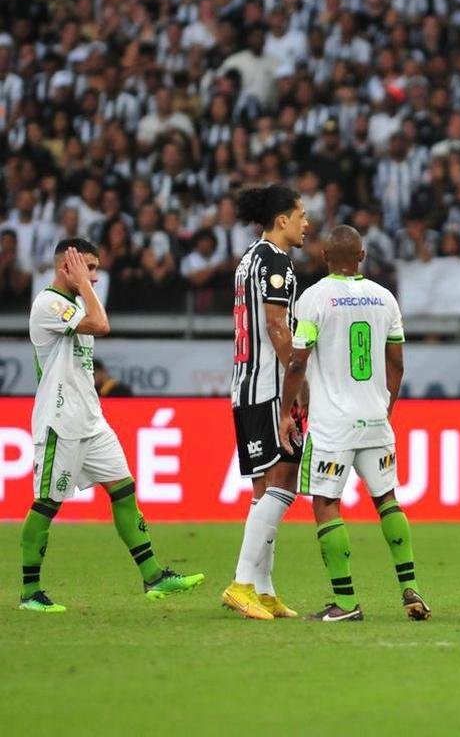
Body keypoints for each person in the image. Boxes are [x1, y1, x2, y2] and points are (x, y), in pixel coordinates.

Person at [19, 239, 204, 612]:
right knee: (47, 504)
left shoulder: (73, 304)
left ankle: (153, 575)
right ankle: (29, 592)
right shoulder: (48, 304)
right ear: (65, 266)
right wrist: (84, 285)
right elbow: (102, 323)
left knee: (123, 490)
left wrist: (84, 286)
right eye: (88, 266)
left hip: (92, 419)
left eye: (96, 268)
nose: (95, 275)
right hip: (61, 421)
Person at [276, 226, 430, 623]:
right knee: (387, 499)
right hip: (376, 418)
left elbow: (297, 360)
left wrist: (285, 411)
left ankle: (345, 603)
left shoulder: (314, 299)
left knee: (327, 504)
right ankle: (409, 587)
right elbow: (397, 363)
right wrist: (386, 406)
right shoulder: (385, 298)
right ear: (362, 256)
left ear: (325, 255)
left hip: (332, 424)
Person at [221, 184, 309, 621]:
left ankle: (263, 587)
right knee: (284, 480)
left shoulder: (248, 260)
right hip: (269, 389)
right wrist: (299, 386)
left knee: (266, 488)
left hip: (246, 384)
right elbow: (277, 328)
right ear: (281, 220)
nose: (306, 224)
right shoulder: (276, 262)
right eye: (301, 215)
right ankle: (241, 582)